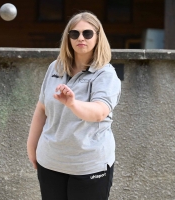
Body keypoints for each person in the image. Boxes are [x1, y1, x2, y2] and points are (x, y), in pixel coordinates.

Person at [27, 11, 121, 200]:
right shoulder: (55, 67)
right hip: (51, 162)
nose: (80, 38)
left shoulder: (105, 74)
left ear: (98, 37)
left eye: (87, 33)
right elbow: (42, 109)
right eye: (74, 34)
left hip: (89, 165)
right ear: (68, 38)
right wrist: (32, 148)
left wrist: (73, 103)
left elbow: (99, 112)